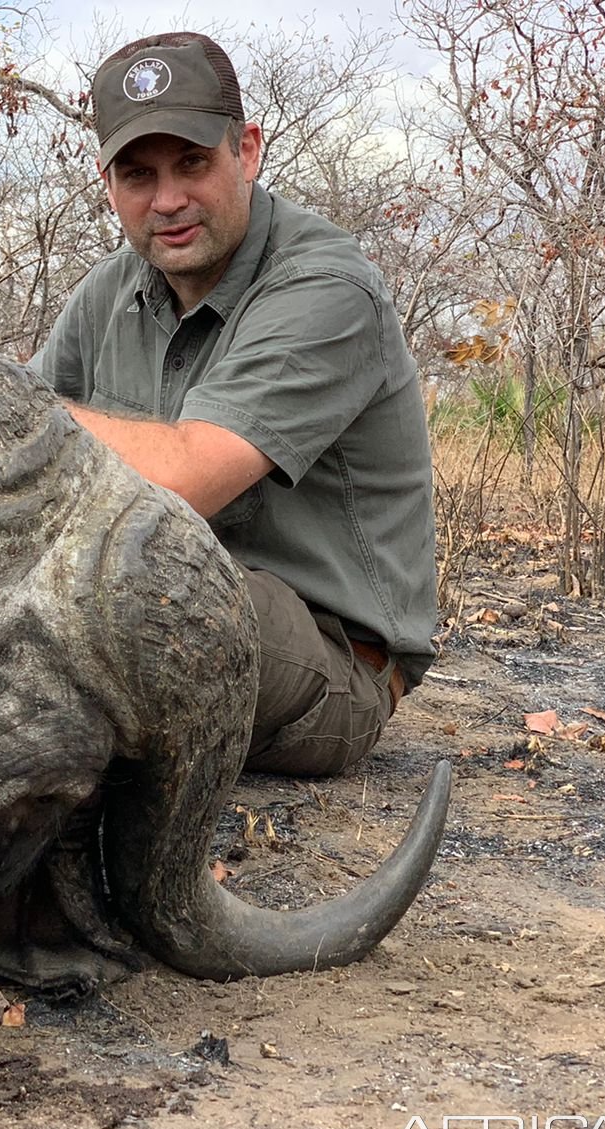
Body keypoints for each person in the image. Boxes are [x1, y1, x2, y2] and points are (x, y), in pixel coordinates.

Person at [31, 32, 437, 778]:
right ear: (107, 182)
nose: (169, 199)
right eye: (137, 174)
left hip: (331, 663)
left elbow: (181, 475)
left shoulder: (327, 287)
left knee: (113, 597)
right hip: (164, 589)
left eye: (192, 162)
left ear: (246, 150)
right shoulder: (107, 292)